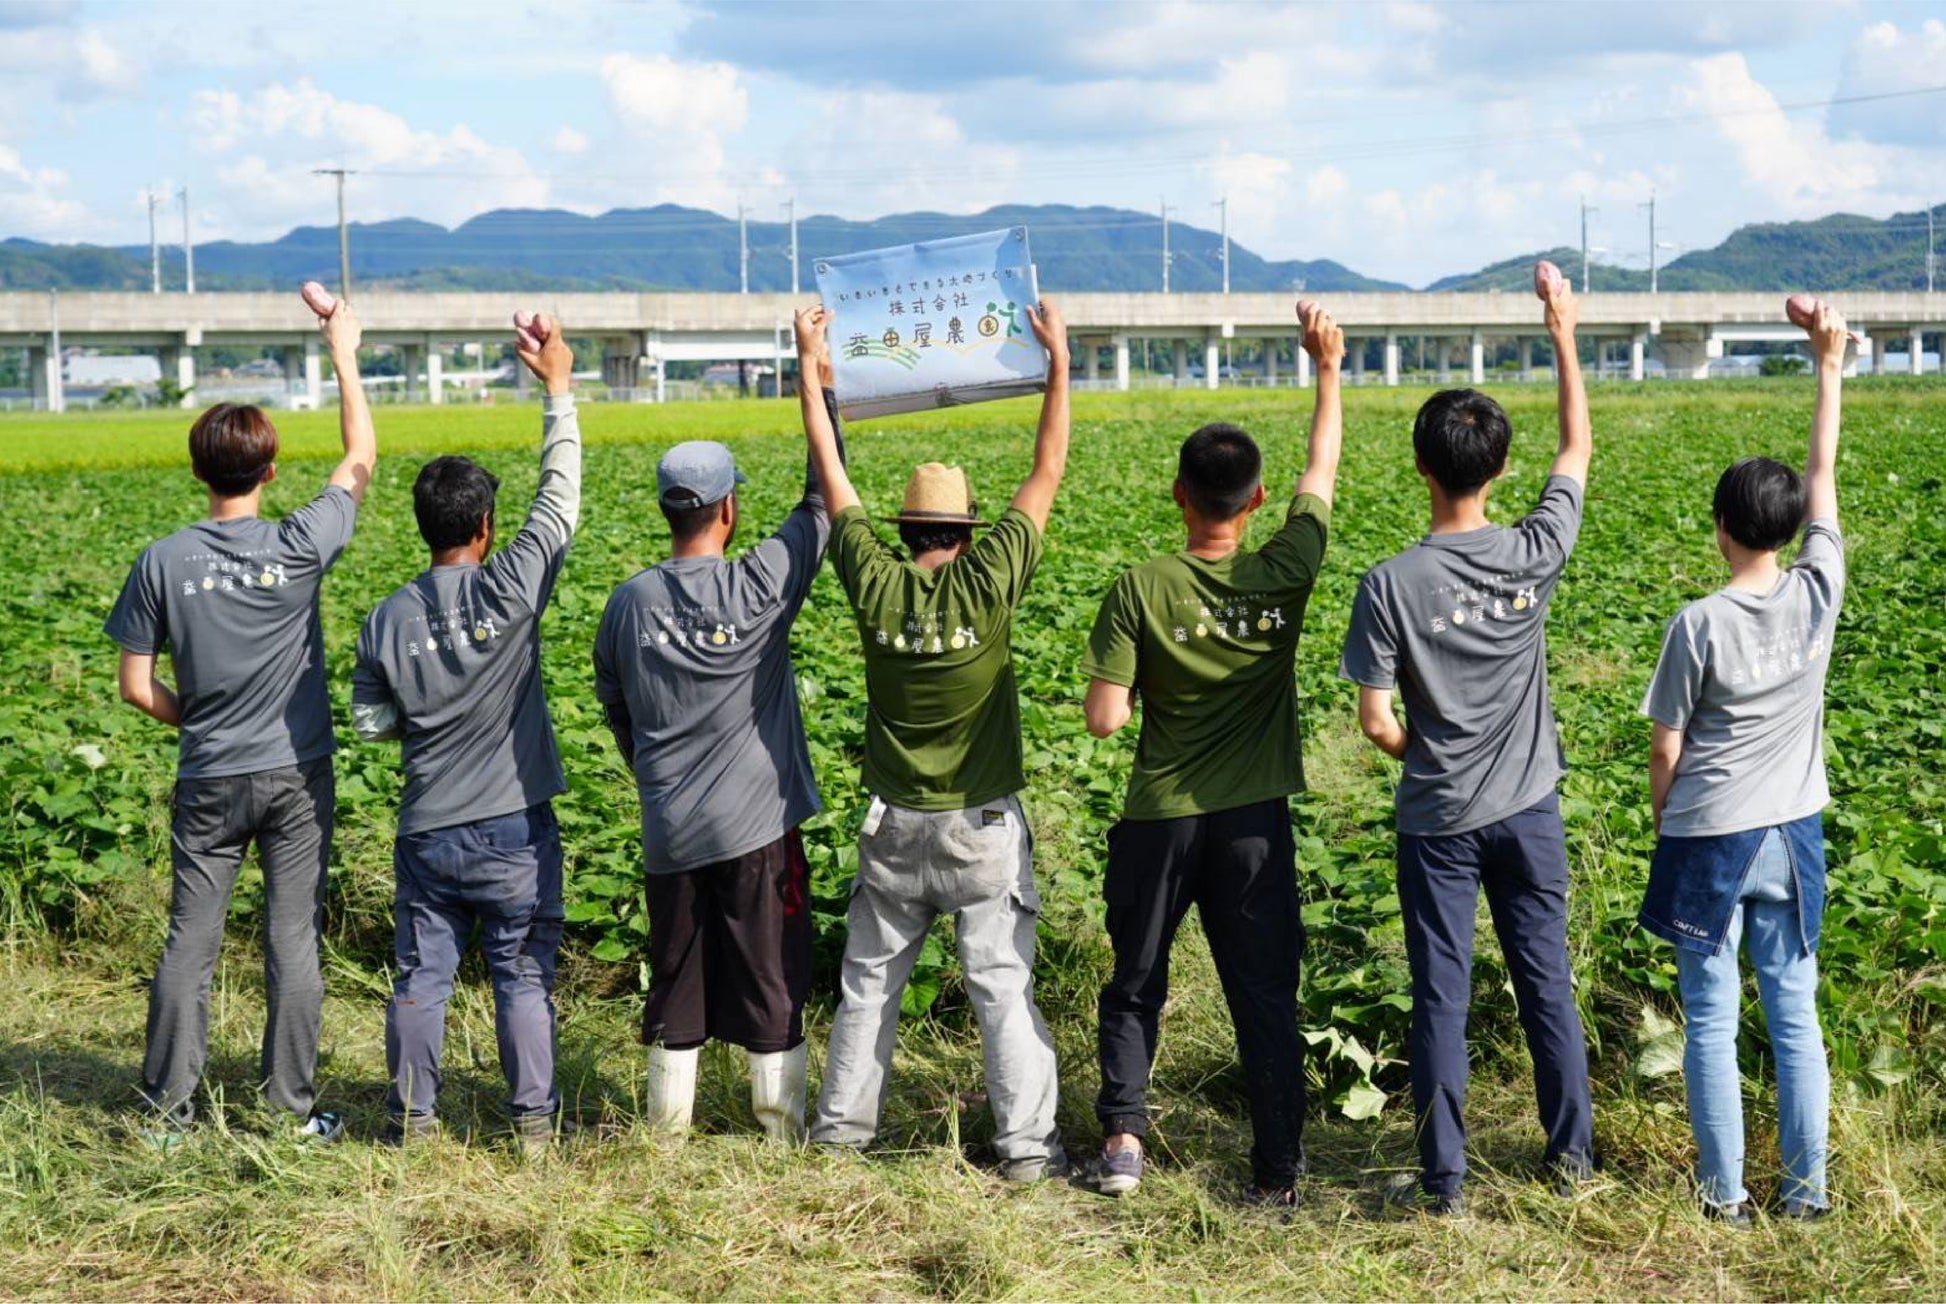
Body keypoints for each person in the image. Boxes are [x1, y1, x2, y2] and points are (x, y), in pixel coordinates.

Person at [1339, 268, 1597, 1215]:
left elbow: (1375, 720)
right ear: (1495, 471)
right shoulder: (1535, 551)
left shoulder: (1390, 583)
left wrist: (1421, 744)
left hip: (1437, 818)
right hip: (1531, 809)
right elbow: (1576, 444)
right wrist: (1560, 328)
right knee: (1546, 985)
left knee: (1439, 996)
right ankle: (1572, 1163)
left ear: (1422, 467)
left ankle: (1443, 1184)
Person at [799, 299, 1073, 1182]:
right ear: (966, 530)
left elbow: (833, 483)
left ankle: (841, 1139)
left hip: (893, 828)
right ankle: (1026, 1152)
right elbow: (1048, 466)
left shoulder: (874, 584)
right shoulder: (990, 581)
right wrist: (1058, 365)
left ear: (907, 531)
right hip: (982, 828)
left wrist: (815, 373)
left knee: (867, 986)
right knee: (999, 988)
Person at [1079, 301, 1344, 1208]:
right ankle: (1277, 1171)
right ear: (1256, 501)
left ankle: (1122, 1142)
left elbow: (1105, 721)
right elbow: (1324, 472)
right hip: (1254, 824)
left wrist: (1149, 680)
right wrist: (1327, 370)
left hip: (1160, 816)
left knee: (1136, 983)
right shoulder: (1285, 571)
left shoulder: (1140, 588)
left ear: (1179, 496)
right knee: (1265, 992)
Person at [104, 288, 376, 1142]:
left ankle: (166, 1113)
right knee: (291, 940)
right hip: (297, 773)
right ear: (269, 470)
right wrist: (342, 348)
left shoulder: (163, 561)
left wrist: (202, 717)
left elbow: (134, 685)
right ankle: (289, 1113)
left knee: (192, 939)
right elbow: (361, 455)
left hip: (209, 772)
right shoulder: (300, 543)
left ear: (196, 471)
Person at [592, 339, 843, 1142]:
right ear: (729, 508)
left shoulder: (629, 604)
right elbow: (820, 506)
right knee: (772, 975)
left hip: (671, 831)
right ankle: (779, 1136)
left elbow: (614, 705)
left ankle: (666, 1141)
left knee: (676, 977)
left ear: (668, 509)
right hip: (756, 828)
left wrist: (656, 777)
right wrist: (821, 388)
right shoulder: (761, 581)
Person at [1636, 303, 1850, 1226]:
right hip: (1792, 835)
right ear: (1791, 527)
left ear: (1722, 526)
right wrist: (1828, 365)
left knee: (1713, 1023)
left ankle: (1724, 1198)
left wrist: (1663, 817)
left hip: (1709, 836)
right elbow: (1826, 477)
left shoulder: (1699, 623)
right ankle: (1807, 1199)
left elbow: (1666, 745)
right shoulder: (1819, 593)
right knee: (1795, 1019)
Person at [351, 316, 581, 1152]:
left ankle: (412, 1122)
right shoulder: (512, 589)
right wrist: (557, 389)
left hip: (429, 828)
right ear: (484, 526)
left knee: (422, 978)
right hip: (515, 828)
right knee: (522, 973)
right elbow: (560, 499)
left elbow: (372, 724)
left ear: (427, 526)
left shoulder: (384, 620)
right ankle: (531, 1128)